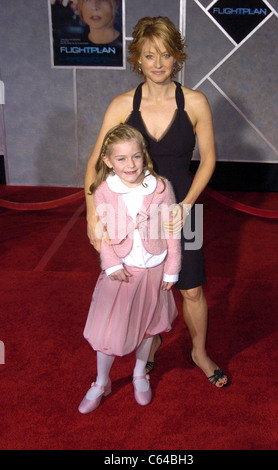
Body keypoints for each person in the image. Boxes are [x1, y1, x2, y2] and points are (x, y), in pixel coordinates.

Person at [84, 16, 228, 388]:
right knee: (141, 286)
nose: (159, 63)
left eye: (166, 54)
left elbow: (209, 158)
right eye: (150, 56)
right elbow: (94, 163)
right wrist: (91, 217)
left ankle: (199, 352)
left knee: (191, 287)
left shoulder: (194, 102)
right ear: (139, 60)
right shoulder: (122, 104)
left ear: (176, 57)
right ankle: (151, 341)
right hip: (132, 214)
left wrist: (186, 204)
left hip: (185, 211)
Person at [79, 124, 181, 414]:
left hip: (154, 271)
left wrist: (171, 269)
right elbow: (104, 231)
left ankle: (139, 373)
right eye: (121, 159)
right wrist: (110, 264)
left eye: (136, 156)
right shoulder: (104, 192)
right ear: (109, 161)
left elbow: (171, 231)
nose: (131, 164)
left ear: (144, 156)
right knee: (108, 330)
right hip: (122, 272)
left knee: (148, 326)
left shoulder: (160, 187)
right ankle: (101, 381)